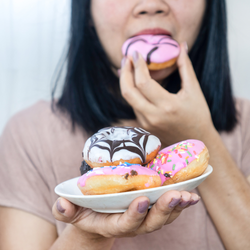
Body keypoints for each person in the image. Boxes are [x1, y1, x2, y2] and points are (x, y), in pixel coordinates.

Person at [1, 0, 250, 249]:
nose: (151, 6)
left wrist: (197, 132)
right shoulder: (30, 135)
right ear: (86, 10)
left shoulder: (246, 122)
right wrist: (90, 233)